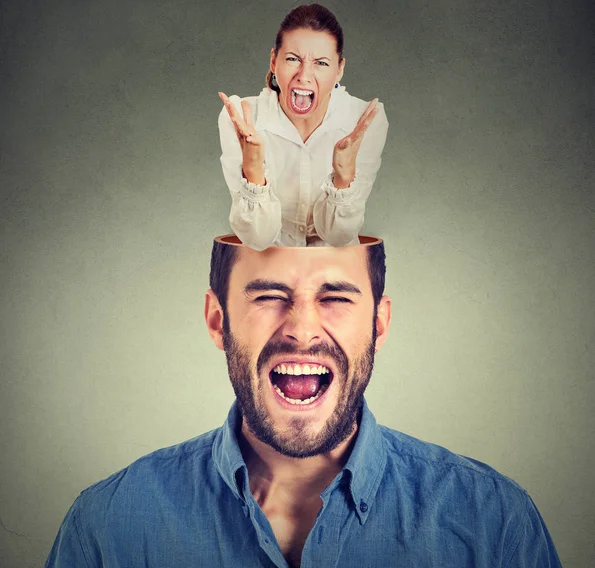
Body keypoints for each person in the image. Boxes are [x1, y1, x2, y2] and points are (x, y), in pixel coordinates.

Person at [45, 235, 562, 568]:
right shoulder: (108, 529)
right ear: (218, 320)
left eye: (335, 297)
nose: (302, 329)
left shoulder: (494, 525)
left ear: (378, 324)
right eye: (268, 296)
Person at [218, 4, 389, 250]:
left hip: (337, 276)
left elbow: (339, 237)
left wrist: (343, 176)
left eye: (320, 63)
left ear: (339, 69)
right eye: (292, 59)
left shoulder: (363, 120)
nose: (304, 75)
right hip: (265, 277)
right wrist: (253, 170)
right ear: (274, 61)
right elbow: (257, 239)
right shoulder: (242, 118)